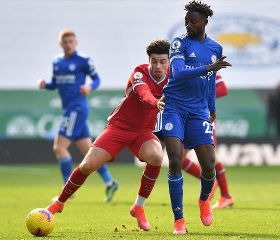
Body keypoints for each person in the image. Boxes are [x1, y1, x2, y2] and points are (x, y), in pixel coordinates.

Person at [46, 39, 170, 231]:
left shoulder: (174, 77)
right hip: (119, 127)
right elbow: (144, 93)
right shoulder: (140, 72)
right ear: (149, 60)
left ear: (169, 61)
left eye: (163, 61)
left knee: (156, 157)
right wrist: (156, 103)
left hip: (143, 132)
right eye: (154, 61)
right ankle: (59, 203)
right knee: (87, 166)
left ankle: (138, 207)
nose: (158, 66)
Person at [161, 1, 232, 234]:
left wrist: (212, 108)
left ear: (205, 22)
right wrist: (209, 68)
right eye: (186, 21)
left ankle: (203, 200)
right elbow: (179, 73)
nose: (188, 25)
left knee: (209, 166)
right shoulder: (179, 42)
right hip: (174, 107)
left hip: (199, 111)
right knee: (174, 160)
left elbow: (210, 82)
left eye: (193, 22)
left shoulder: (215, 48)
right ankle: (178, 220)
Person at [38, 29, 118, 203]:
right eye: (65, 42)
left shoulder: (83, 61)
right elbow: (56, 83)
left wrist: (90, 87)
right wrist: (46, 85)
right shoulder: (57, 62)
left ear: (76, 42)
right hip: (70, 109)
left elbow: (96, 79)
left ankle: (67, 189)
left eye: (71, 42)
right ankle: (110, 182)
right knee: (87, 151)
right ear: (61, 44)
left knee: (59, 147)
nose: (68, 45)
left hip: (76, 108)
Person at [182, 72, 234, 209]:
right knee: (178, 157)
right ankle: (222, 192)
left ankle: (224, 194)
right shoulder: (180, 66)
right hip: (187, 117)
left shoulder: (206, 65)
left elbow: (222, 89)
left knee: (209, 157)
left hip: (203, 116)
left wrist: (200, 97)